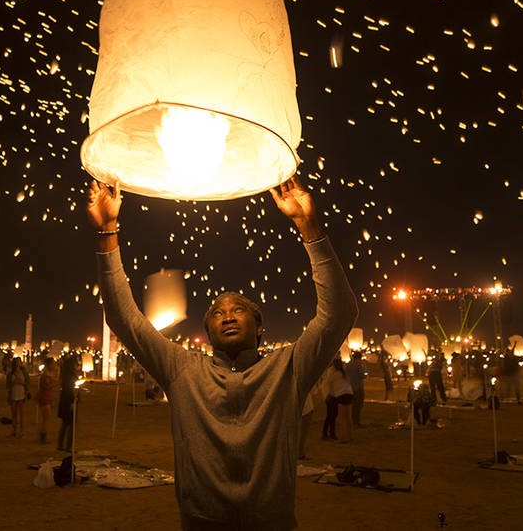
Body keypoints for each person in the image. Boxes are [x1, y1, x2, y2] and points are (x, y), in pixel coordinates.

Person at [87, 174, 357, 530]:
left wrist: (309, 226)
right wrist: (108, 230)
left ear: (260, 326)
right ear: (207, 330)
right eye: (217, 312)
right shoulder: (182, 369)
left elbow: (338, 314)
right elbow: (125, 320)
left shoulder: (288, 368)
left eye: (238, 309)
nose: (227, 315)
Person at [322, 357, 354, 442]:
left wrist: (329, 396)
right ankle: (350, 436)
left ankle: (343, 437)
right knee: (348, 417)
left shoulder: (332, 373)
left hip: (340, 395)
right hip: (349, 394)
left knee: (341, 418)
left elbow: (329, 385)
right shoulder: (343, 372)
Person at [55, 353, 80, 452]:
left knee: (65, 424)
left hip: (66, 402)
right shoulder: (69, 376)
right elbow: (69, 390)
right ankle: (68, 447)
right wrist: (72, 402)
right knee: (71, 425)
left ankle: (61, 445)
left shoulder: (67, 375)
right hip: (69, 402)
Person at [35, 357, 58, 444]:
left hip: (46, 397)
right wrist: (56, 384)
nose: (54, 365)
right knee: (46, 418)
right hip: (44, 398)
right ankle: (42, 435)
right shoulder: (45, 376)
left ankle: (43, 434)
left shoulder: (48, 374)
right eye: (53, 364)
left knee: (46, 418)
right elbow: (47, 387)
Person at [7, 356, 30, 438]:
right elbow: (7, 385)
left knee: (22, 414)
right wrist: (13, 383)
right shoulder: (11, 373)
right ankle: (14, 431)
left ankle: (22, 431)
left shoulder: (24, 373)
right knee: (14, 414)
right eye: (18, 362)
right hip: (13, 394)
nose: (19, 363)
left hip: (21, 394)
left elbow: (27, 383)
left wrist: (22, 383)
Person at [346, 351, 367, 428]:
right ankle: (356, 422)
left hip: (351, 387)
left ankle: (352, 421)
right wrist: (366, 373)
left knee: (353, 406)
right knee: (358, 406)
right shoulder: (358, 364)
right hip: (358, 387)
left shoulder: (348, 364)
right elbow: (362, 375)